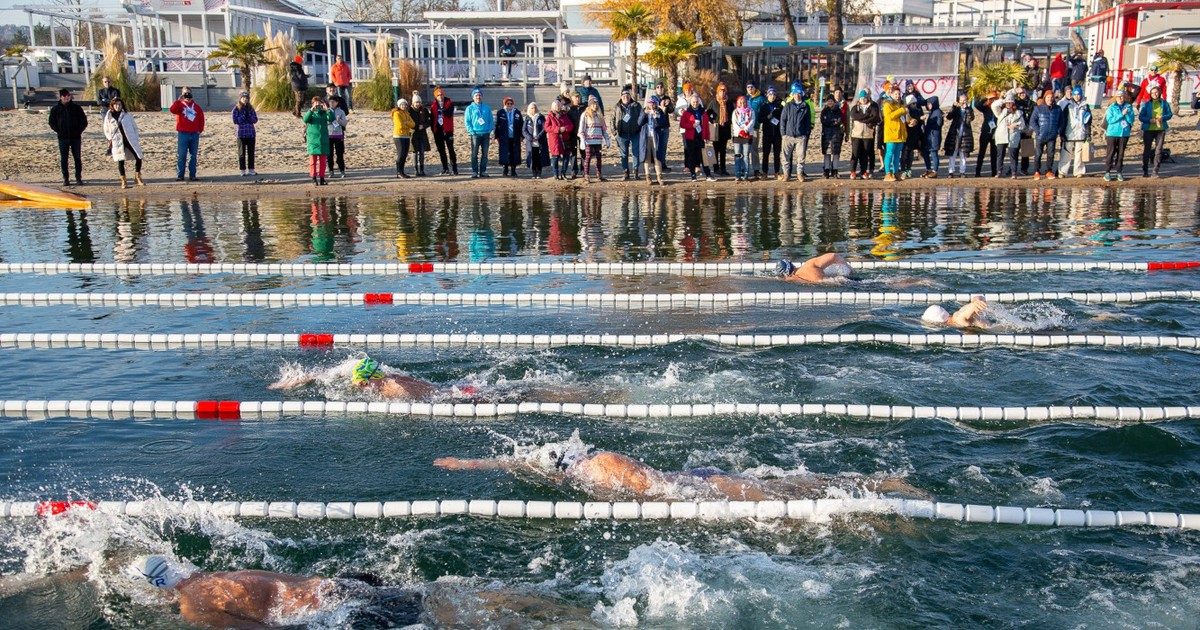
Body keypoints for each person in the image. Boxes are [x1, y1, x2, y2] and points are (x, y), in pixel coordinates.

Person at [434, 435, 927, 502]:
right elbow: (521, 460)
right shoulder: (583, 467)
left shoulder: (601, 465)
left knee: (786, 492)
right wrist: (468, 462)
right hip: (694, 479)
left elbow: (656, 488)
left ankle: (880, 485)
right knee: (783, 485)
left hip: (700, 486)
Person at [47, 88, 87, 187]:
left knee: (77, 158)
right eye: (64, 96)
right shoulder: (56, 109)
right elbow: (51, 122)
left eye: (68, 96)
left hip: (75, 137)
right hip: (62, 138)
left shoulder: (77, 108)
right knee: (64, 159)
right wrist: (59, 130)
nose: (67, 97)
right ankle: (66, 179)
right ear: (61, 97)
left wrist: (78, 131)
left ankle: (78, 178)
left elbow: (84, 121)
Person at [102, 97, 143, 189]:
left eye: (120, 104)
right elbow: (106, 129)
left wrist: (136, 137)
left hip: (130, 139)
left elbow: (134, 127)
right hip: (117, 140)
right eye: (116, 104)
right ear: (112, 105)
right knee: (120, 161)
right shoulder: (109, 116)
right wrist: (110, 139)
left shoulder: (127, 115)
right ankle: (123, 181)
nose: (118, 106)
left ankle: (137, 177)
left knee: (138, 157)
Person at [778, 82, 813, 182]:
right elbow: (783, 120)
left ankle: (799, 174)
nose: (797, 95)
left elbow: (808, 121)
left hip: (800, 136)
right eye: (795, 93)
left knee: (801, 157)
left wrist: (805, 133)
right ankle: (786, 174)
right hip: (788, 135)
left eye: (799, 93)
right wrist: (783, 134)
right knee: (785, 157)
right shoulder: (788, 106)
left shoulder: (805, 106)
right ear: (792, 94)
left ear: (801, 93)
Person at [169, 88, 204, 182]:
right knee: (182, 155)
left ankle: (192, 175)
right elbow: (172, 110)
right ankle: (180, 175)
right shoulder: (180, 105)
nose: (187, 95)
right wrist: (178, 100)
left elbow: (201, 118)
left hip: (194, 134)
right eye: (185, 93)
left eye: (188, 93)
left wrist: (199, 130)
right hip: (183, 133)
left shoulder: (196, 106)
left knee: (193, 156)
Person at [1029, 89, 1065, 180]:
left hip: (1052, 136)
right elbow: (1032, 121)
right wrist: (1038, 131)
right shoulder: (1038, 108)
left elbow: (1062, 122)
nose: (1050, 99)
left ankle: (1048, 171)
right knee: (1038, 154)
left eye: (1051, 97)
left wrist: (1057, 131)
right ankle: (1036, 171)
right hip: (1040, 136)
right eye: (1048, 97)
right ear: (1045, 98)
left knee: (1051, 154)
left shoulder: (1057, 109)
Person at [1138, 84, 1172, 178]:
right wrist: (1149, 120)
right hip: (1148, 129)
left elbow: (1170, 114)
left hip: (1160, 129)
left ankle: (1155, 171)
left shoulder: (1164, 103)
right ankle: (1145, 170)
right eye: (1152, 93)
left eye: (1156, 92)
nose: (1155, 94)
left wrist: (1163, 118)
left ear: (1160, 93)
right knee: (1147, 150)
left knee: (1158, 150)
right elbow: (1141, 117)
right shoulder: (1146, 104)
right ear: (1150, 94)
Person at [679, 93, 714, 182]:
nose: (695, 103)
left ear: (699, 102)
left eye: (696, 102)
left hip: (701, 137)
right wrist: (692, 125)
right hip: (690, 137)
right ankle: (693, 175)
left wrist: (707, 136)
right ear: (691, 102)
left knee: (704, 157)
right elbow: (682, 124)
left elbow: (706, 125)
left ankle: (708, 175)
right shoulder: (687, 112)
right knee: (692, 156)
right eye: (693, 102)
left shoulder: (703, 112)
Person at [1058, 86, 1092, 178]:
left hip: (1081, 133)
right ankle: (1062, 171)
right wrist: (1062, 133)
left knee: (1079, 154)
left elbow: (1088, 121)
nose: (1077, 96)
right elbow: (1063, 120)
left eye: (1078, 94)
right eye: (1075, 95)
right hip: (1069, 133)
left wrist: (1088, 134)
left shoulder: (1085, 106)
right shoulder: (1068, 106)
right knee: (1066, 153)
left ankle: (1078, 171)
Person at [611, 87, 644, 180]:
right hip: (622, 134)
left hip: (635, 133)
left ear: (630, 96)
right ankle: (626, 172)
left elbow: (642, 117)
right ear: (621, 96)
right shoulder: (617, 106)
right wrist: (614, 132)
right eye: (624, 95)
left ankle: (636, 171)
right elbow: (612, 119)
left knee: (635, 153)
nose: (626, 97)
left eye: (627, 95)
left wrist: (639, 128)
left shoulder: (636, 105)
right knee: (624, 154)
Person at [1103, 89, 1135, 181]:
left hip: (1124, 133)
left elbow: (1131, 120)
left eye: (1122, 96)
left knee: (1121, 154)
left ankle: (1119, 172)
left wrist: (1127, 115)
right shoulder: (1111, 107)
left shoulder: (1128, 106)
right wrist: (1121, 114)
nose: (1121, 98)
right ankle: (1107, 172)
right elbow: (1110, 120)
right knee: (1111, 152)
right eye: (1119, 96)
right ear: (1116, 98)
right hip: (1112, 133)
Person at [847, 89, 879, 180]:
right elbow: (855, 116)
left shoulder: (872, 106)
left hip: (867, 134)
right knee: (855, 153)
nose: (863, 99)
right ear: (859, 99)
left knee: (865, 154)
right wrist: (866, 117)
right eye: (862, 98)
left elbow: (874, 117)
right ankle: (853, 171)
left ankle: (863, 171)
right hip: (856, 134)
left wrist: (863, 120)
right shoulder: (855, 107)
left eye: (865, 98)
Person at [578, 95, 610, 183]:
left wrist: (607, 139)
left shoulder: (600, 115)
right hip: (589, 140)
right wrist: (582, 140)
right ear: (589, 105)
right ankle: (586, 175)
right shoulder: (585, 115)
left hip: (598, 140)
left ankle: (599, 174)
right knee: (588, 157)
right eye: (593, 104)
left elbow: (604, 129)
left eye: (596, 104)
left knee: (599, 157)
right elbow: (581, 129)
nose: (595, 106)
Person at [638, 94, 669, 185]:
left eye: (653, 103)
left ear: (656, 104)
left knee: (657, 157)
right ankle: (648, 176)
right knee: (646, 157)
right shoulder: (644, 111)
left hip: (656, 137)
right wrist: (645, 114)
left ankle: (659, 176)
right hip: (646, 137)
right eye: (649, 103)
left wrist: (657, 118)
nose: (651, 105)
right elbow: (639, 122)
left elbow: (664, 123)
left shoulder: (659, 111)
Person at [302, 96, 333, 186]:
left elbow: (331, 118)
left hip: (323, 140)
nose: (318, 105)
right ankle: (313, 178)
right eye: (316, 103)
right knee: (313, 161)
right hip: (312, 141)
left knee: (323, 162)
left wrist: (327, 109)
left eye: (319, 103)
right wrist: (311, 110)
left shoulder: (324, 113)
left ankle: (322, 178)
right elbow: (305, 119)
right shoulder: (311, 113)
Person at [463, 87, 493, 178]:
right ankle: (475, 171)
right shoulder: (470, 108)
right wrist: (471, 131)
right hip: (475, 134)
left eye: (479, 95)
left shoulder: (487, 108)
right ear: (473, 97)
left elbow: (491, 120)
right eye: (476, 95)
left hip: (485, 134)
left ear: (482, 96)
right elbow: (467, 121)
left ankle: (483, 171)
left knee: (485, 154)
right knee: (474, 153)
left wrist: (489, 129)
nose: (478, 97)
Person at [943, 93, 974, 178]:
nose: (963, 102)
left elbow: (971, 118)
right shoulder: (956, 109)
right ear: (958, 101)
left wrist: (967, 109)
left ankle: (962, 172)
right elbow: (949, 117)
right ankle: (951, 171)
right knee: (952, 153)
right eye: (961, 100)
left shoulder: (969, 109)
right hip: (954, 133)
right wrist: (953, 107)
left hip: (965, 134)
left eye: (964, 100)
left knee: (963, 154)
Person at [993, 96, 1024, 179]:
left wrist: (1015, 126)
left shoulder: (1018, 113)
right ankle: (999, 172)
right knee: (1000, 155)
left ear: (1013, 103)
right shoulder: (1000, 112)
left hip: (1013, 136)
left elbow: (1022, 126)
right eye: (1007, 103)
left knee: (1013, 155)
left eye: (1010, 102)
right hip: (1001, 135)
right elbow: (994, 105)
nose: (1008, 104)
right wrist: (1002, 99)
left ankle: (1014, 172)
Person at [430, 86, 458, 175]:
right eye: (438, 95)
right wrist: (433, 129)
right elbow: (432, 118)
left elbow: (449, 113)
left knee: (451, 149)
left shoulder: (449, 102)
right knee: (441, 150)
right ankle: (445, 168)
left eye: (441, 94)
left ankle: (454, 168)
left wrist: (442, 108)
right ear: (435, 96)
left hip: (448, 130)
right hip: (438, 130)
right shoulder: (433, 105)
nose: (440, 96)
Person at [774, 252, 855, 283]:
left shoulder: (793, 279)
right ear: (792, 264)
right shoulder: (809, 265)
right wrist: (850, 269)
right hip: (842, 281)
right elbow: (833, 256)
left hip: (829, 285)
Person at [881, 86, 906, 182]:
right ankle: (887, 174)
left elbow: (904, 119)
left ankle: (895, 173)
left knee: (897, 155)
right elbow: (889, 116)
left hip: (900, 134)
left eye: (899, 94)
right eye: (895, 94)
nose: (898, 96)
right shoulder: (887, 104)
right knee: (889, 154)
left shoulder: (901, 104)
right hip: (891, 133)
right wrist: (901, 110)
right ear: (891, 94)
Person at [544, 99, 574, 180]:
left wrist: (565, 129)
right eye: (556, 106)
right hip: (555, 140)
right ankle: (556, 174)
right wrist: (558, 129)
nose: (557, 107)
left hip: (565, 139)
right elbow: (546, 127)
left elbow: (571, 125)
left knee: (566, 156)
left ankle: (563, 173)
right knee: (555, 157)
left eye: (558, 105)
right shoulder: (550, 116)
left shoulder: (565, 115)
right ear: (553, 107)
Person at [708, 82, 733, 176]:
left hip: (725, 128)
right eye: (721, 91)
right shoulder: (714, 101)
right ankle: (715, 168)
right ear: (718, 92)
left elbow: (732, 114)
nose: (722, 93)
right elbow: (707, 113)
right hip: (715, 128)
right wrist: (712, 121)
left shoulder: (729, 102)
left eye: (724, 91)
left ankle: (723, 169)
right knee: (715, 149)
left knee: (723, 150)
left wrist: (729, 121)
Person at [495, 96, 524, 177]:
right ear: (505, 104)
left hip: (515, 137)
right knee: (505, 153)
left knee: (514, 153)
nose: (509, 105)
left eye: (511, 103)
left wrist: (522, 136)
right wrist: (496, 136)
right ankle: (505, 169)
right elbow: (497, 125)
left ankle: (513, 170)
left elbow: (521, 124)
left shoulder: (517, 112)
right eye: (508, 103)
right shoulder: (500, 112)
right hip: (504, 137)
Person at [758, 86, 783, 179]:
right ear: (767, 95)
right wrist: (769, 116)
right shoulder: (764, 106)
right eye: (770, 94)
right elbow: (759, 119)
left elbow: (783, 119)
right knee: (766, 153)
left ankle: (777, 172)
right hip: (767, 133)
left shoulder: (780, 106)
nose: (772, 96)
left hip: (777, 133)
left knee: (777, 154)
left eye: (774, 94)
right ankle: (765, 172)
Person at [231, 90, 257, 177]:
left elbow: (255, 119)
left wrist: (249, 115)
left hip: (251, 134)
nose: (245, 99)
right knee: (241, 153)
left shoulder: (251, 108)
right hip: (241, 134)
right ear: (240, 99)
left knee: (251, 152)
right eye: (243, 98)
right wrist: (243, 116)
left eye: (246, 98)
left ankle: (251, 169)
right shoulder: (236, 109)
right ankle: (242, 170)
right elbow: (235, 120)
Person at [921, 296, 990, 329]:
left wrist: (975, 304)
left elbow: (972, 307)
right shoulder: (957, 315)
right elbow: (978, 297)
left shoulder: (958, 319)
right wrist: (977, 300)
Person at [730, 94, 756, 181]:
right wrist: (740, 130)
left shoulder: (751, 111)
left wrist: (745, 129)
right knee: (738, 155)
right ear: (738, 103)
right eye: (740, 102)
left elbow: (752, 121)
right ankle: (737, 175)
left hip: (747, 135)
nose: (742, 104)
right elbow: (734, 123)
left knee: (745, 155)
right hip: (737, 135)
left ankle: (745, 175)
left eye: (744, 102)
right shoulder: (735, 112)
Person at [973, 90, 999, 177]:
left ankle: (994, 172)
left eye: (994, 99)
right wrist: (985, 97)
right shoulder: (986, 108)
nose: (993, 101)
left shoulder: (998, 108)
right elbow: (977, 104)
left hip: (995, 133)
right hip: (985, 132)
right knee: (981, 152)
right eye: (991, 99)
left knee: (994, 154)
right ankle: (977, 172)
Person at [820, 95, 845, 179]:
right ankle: (826, 171)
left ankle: (835, 171)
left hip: (836, 134)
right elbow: (823, 121)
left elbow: (839, 121)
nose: (830, 102)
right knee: (827, 153)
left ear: (834, 102)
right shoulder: (824, 111)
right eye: (828, 101)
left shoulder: (838, 110)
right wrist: (832, 122)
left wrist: (831, 122)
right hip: (826, 134)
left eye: (831, 101)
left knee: (835, 153)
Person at [744, 81, 766, 178]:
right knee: (744, 150)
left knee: (754, 149)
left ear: (755, 88)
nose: (750, 89)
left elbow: (764, 111)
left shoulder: (760, 99)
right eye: (748, 87)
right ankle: (744, 170)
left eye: (751, 87)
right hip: (744, 129)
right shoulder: (745, 99)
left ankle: (756, 169)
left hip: (755, 127)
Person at [523, 102, 550, 179]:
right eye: (532, 108)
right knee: (533, 157)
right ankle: (534, 172)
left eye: (534, 107)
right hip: (531, 142)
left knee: (539, 157)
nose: (533, 109)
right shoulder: (527, 118)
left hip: (539, 141)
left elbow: (544, 128)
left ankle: (539, 173)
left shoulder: (541, 117)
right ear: (529, 109)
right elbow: (524, 130)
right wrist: (530, 138)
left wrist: (538, 137)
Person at [901, 93, 924, 179]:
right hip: (906, 133)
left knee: (910, 152)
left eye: (914, 103)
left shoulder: (918, 109)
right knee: (905, 152)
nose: (914, 105)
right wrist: (910, 122)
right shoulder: (905, 110)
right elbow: (903, 120)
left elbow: (920, 120)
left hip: (915, 133)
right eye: (912, 103)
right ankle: (903, 169)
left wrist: (917, 121)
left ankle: (908, 168)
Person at [391, 98, 415, 179]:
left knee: (405, 154)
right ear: (399, 105)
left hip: (406, 135)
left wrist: (406, 123)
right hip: (398, 136)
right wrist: (407, 124)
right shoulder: (396, 113)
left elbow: (413, 124)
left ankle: (402, 171)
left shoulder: (407, 113)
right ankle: (399, 171)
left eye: (405, 104)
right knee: (401, 154)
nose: (403, 106)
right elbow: (400, 125)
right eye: (402, 104)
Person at [409, 92, 431, 177]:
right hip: (414, 133)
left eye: (419, 102)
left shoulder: (424, 110)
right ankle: (416, 170)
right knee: (415, 152)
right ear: (413, 103)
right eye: (416, 102)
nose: (417, 104)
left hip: (422, 133)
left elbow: (429, 121)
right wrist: (415, 126)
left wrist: (424, 126)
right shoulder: (409, 111)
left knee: (422, 152)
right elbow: (407, 121)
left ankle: (422, 170)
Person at [921, 96, 943, 178]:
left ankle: (935, 171)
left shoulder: (937, 112)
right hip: (928, 136)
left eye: (930, 104)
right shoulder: (932, 112)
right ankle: (928, 169)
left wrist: (935, 120)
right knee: (925, 152)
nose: (928, 106)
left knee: (934, 153)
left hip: (934, 136)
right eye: (928, 104)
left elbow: (939, 124)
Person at [327, 95, 348, 178]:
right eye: (330, 101)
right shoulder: (327, 111)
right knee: (329, 155)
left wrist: (339, 121)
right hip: (328, 135)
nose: (331, 103)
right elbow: (324, 122)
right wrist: (330, 121)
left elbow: (345, 123)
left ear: (337, 103)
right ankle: (331, 171)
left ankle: (342, 170)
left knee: (340, 154)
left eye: (333, 102)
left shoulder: (341, 111)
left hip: (339, 135)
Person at [566, 91, 584, 179]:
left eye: (578, 97)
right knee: (573, 153)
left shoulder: (584, 108)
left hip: (582, 134)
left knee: (583, 152)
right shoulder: (569, 110)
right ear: (572, 98)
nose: (577, 99)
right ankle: (574, 170)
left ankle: (584, 170)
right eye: (576, 97)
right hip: (572, 134)